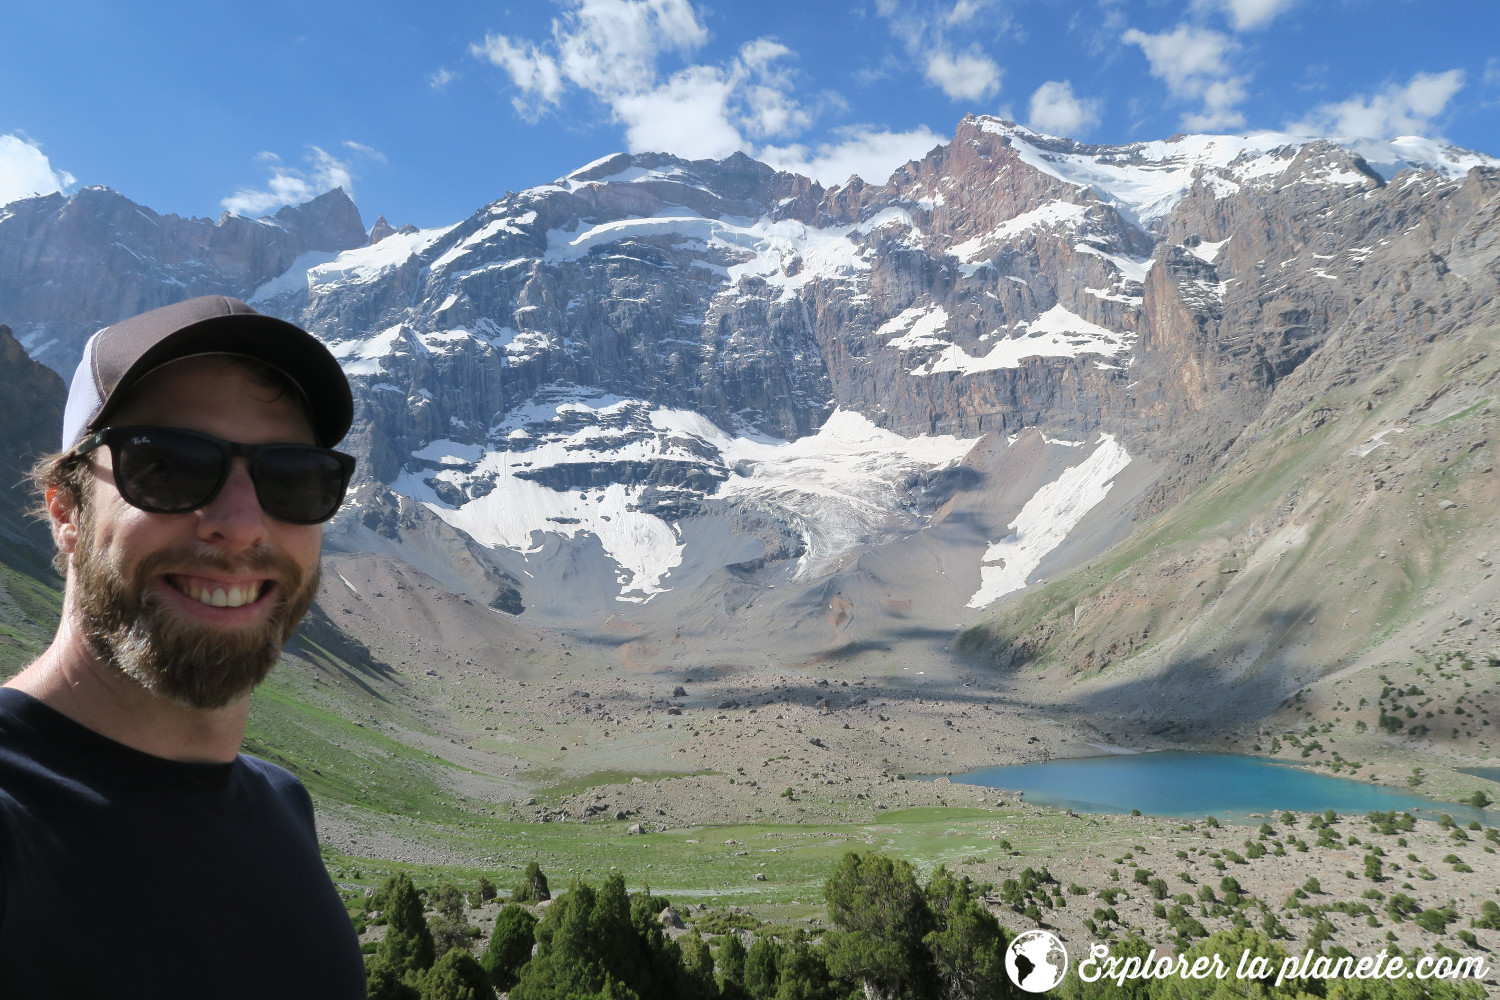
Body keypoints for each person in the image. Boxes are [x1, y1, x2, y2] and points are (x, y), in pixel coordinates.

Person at [0, 297, 368, 997]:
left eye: (293, 477)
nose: (239, 524)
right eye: (167, 466)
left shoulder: (282, 805)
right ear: (65, 511)